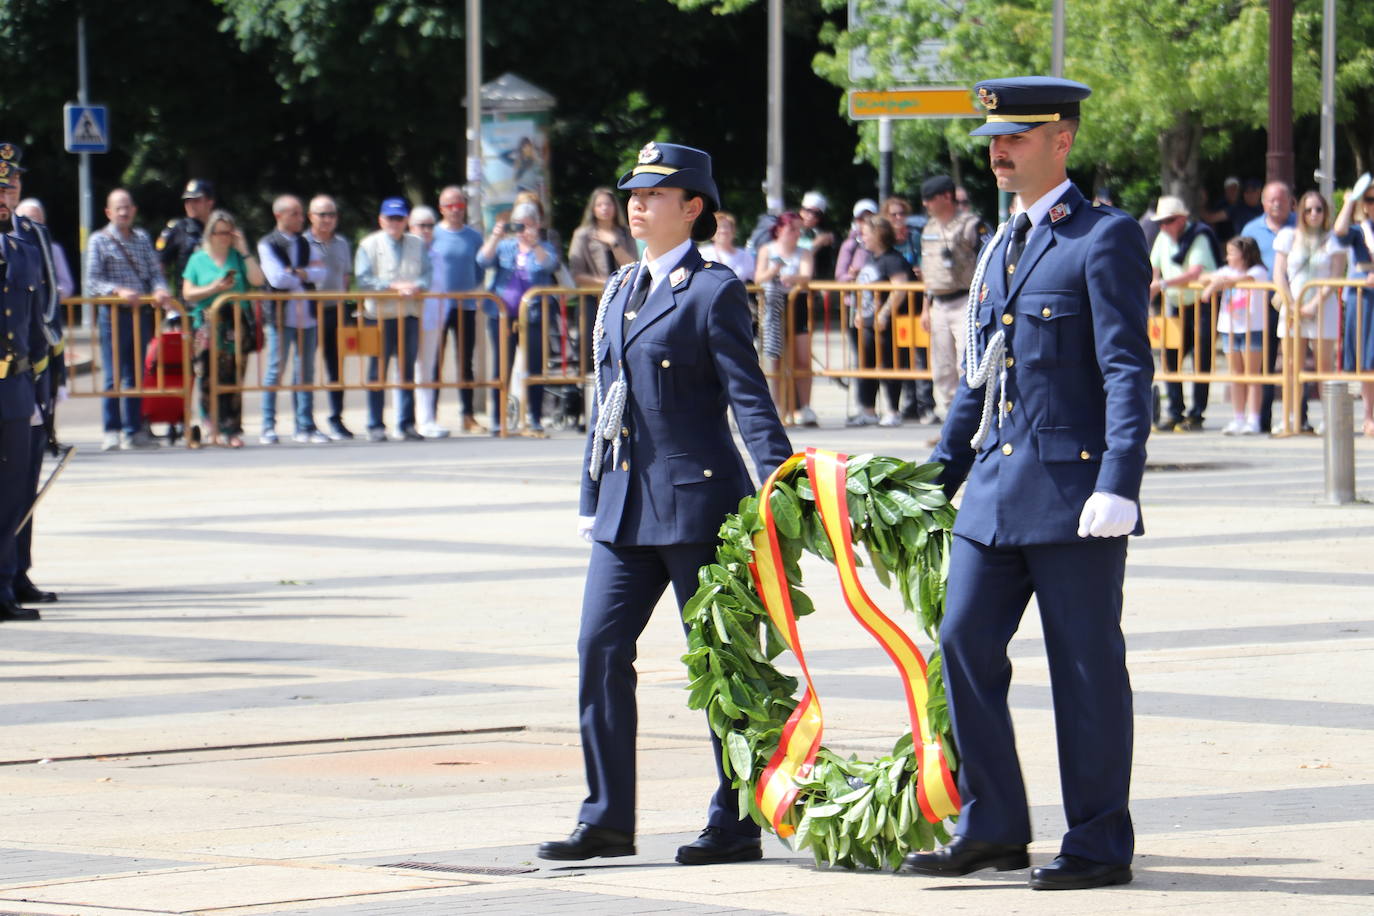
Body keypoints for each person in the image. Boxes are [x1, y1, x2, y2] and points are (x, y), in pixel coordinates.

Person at [903, 76, 1152, 892]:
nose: (999, 150)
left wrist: (1120, 481)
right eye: (995, 140)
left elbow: (1126, 370)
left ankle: (1098, 841)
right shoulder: (1003, 244)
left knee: (1085, 667)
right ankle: (995, 825)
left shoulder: (1101, 238)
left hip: (1074, 497)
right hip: (996, 491)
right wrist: (938, 471)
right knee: (963, 644)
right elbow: (978, 376)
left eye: (1017, 136)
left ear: (1062, 141)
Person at [538, 141, 791, 867]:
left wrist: (781, 490)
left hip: (698, 505)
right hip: (624, 506)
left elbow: (750, 402)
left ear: (695, 208)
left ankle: (735, 820)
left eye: (657, 194)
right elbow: (607, 403)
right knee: (598, 648)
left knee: (719, 663)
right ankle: (607, 816)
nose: (637, 204)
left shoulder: (712, 290)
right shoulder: (620, 286)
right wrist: (590, 490)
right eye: (633, 194)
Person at [2, 146, 62, 610]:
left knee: (20, 487)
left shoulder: (29, 238)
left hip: (21, 381)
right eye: (2, 185)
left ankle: (11, 576)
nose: (8, 192)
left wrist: (45, 380)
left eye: (12, 183)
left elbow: (41, 312)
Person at [86, 188, 175, 451]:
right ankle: (112, 429)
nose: (123, 212)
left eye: (127, 207)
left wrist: (160, 289)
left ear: (134, 210)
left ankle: (133, 430)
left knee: (136, 374)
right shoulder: (98, 240)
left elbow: (154, 272)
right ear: (108, 212)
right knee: (113, 374)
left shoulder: (142, 238)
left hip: (141, 313)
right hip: (114, 314)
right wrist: (117, 291)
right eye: (118, 208)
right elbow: (92, 281)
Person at [0, 161, 46, 621]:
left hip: (13, 387)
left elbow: (33, 328)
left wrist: (38, 390)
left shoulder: (24, 249)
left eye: (6, 189)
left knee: (12, 494)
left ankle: (4, 587)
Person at [182, 210, 265, 447]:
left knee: (234, 378)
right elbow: (188, 293)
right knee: (208, 376)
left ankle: (233, 429)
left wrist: (245, 250)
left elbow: (258, 280)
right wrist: (214, 288)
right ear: (210, 234)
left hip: (236, 324)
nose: (224, 238)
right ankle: (212, 426)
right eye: (219, 233)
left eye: (228, 233)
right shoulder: (198, 259)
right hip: (207, 324)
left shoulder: (238, 257)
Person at [477, 200, 558, 437]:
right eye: (519, 225)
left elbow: (550, 265)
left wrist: (535, 245)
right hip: (501, 315)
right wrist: (495, 237)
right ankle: (497, 419)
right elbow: (482, 260)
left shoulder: (545, 247)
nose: (522, 230)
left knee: (534, 367)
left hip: (534, 314)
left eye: (527, 225)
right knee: (501, 366)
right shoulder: (505, 246)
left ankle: (534, 417)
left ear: (537, 225)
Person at [356, 197, 431, 442]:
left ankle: (407, 423)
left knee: (407, 370)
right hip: (379, 316)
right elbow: (363, 279)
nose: (395, 223)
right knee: (377, 371)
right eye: (390, 218)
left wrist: (415, 286)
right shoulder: (368, 244)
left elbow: (428, 275)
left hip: (409, 314)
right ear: (381, 219)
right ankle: (375, 424)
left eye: (399, 218)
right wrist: (391, 286)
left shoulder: (417, 243)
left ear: (406, 220)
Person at [258, 195, 327, 445]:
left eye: (300, 213)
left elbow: (321, 273)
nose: (300, 218)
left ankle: (305, 425)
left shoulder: (308, 242)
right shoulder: (268, 244)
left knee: (305, 371)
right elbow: (276, 279)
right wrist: (303, 275)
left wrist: (298, 273)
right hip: (280, 317)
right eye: (295, 213)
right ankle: (267, 425)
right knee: (275, 369)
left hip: (307, 316)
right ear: (280, 216)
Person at [1274, 190, 1346, 433]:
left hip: (1322, 305)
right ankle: (1290, 416)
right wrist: (1292, 303)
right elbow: (1279, 272)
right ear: (1300, 212)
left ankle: (1329, 418)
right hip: (1293, 304)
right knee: (1291, 363)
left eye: (1318, 209)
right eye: (1308, 209)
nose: (1313, 214)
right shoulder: (1287, 236)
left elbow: (1335, 275)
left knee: (1323, 365)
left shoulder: (1331, 240)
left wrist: (1313, 303)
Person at [919, 174, 987, 422]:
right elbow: (928, 270)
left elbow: (987, 261)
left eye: (930, 198)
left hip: (964, 301)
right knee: (942, 368)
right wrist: (925, 308)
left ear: (947, 197)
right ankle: (951, 423)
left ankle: (971, 423)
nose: (925, 204)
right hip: (938, 303)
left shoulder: (971, 225)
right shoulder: (929, 228)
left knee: (965, 364)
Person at [1149, 195, 1217, 431]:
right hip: (1175, 305)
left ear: (1181, 219)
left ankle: (1196, 414)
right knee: (1170, 357)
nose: (1163, 226)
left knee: (1201, 359)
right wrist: (1154, 286)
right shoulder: (1162, 238)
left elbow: (1195, 273)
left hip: (1201, 304)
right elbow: (1154, 267)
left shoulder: (1199, 236)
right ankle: (1175, 412)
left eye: (1168, 221)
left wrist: (1162, 285)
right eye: (1161, 222)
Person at [421, 187, 485, 437]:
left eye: (459, 206)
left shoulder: (473, 236)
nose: (455, 210)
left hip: (465, 304)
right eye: (450, 206)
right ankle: (431, 414)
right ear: (441, 208)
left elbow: (479, 269)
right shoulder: (433, 233)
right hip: (437, 306)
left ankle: (467, 414)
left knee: (465, 362)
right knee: (434, 360)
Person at [1241, 181, 1295, 433]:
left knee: (1293, 362)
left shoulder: (1300, 226)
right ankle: (1261, 419)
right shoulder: (1251, 229)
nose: (1277, 204)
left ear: (1290, 202)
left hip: (1294, 302)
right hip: (1261, 305)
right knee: (1263, 362)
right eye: (1272, 199)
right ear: (1263, 203)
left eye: (1282, 199)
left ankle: (1297, 417)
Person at [849, 214, 914, 427]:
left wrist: (884, 313)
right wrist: (859, 313)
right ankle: (868, 410)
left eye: (866, 233)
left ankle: (892, 410)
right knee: (866, 365)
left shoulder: (893, 260)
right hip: (868, 322)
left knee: (890, 365)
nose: (863, 237)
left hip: (888, 324)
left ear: (878, 234)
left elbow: (900, 288)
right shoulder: (871, 259)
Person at [1200, 236, 1268, 435]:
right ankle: (1238, 417)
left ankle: (1254, 418)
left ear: (1244, 254)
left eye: (1231, 253)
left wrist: (1216, 285)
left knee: (1252, 376)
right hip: (1230, 328)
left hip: (1251, 328)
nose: (1227, 257)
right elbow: (1203, 277)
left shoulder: (1258, 271)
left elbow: (1241, 280)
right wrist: (1216, 281)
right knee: (1236, 375)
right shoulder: (1225, 272)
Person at [754, 211, 816, 425]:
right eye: (792, 229)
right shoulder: (766, 249)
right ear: (780, 230)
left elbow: (807, 276)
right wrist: (774, 271)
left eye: (799, 230)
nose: (797, 234)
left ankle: (805, 407)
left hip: (797, 305)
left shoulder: (804, 252)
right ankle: (777, 408)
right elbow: (758, 277)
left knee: (802, 359)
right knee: (774, 359)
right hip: (772, 306)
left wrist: (793, 277)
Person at [304, 194, 355, 440]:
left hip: (335, 310)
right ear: (310, 216)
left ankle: (336, 418)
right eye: (321, 214)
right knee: (306, 368)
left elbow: (345, 276)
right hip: (309, 311)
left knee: (336, 367)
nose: (327, 220)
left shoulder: (342, 243)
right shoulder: (302, 242)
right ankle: (305, 420)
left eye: (331, 215)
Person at [1333, 179, 1374, 437]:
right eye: (1369, 200)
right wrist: (1349, 202)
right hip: (1365, 296)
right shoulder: (1360, 231)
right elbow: (1338, 232)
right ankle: (1369, 415)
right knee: (1367, 359)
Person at [568, 187, 637, 287]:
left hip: (623, 292)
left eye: (608, 204)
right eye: (599, 205)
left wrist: (614, 244)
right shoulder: (582, 235)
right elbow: (577, 274)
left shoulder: (626, 232)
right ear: (593, 209)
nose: (604, 208)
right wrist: (609, 284)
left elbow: (633, 266)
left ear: (615, 207)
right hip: (593, 296)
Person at [158, 179, 215, 293]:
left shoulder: (220, 229)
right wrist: (163, 291)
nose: (191, 205)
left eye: (196, 200)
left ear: (210, 202)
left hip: (219, 298)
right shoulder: (177, 229)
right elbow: (159, 265)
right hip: (188, 301)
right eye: (187, 201)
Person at [15, 200, 75, 300]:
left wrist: (51, 291)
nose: (31, 224)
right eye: (26, 219)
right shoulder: (6, 247)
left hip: (44, 308)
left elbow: (66, 285)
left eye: (35, 219)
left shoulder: (54, 250)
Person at [697, 210, 754, 281]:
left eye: (726, 227)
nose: (723, 230)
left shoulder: (745, 255)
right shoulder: (702, 254)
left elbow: (756, 279)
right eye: (718, 227)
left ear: (733, 231)